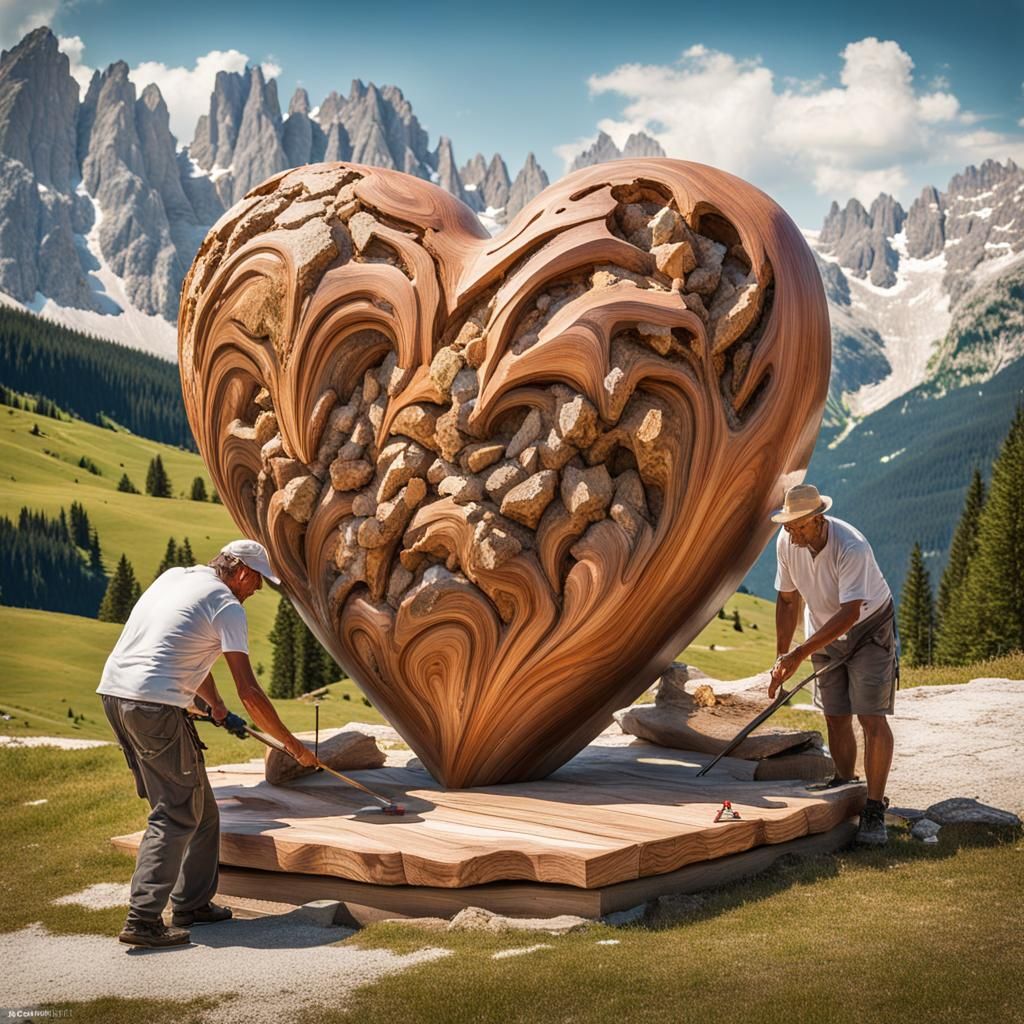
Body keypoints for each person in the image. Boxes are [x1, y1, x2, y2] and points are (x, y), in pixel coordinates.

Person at [97, 539, 318, 947]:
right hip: (153, 707)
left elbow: (182, 652)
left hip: (117, 695)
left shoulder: (176, 578)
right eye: (257, 584)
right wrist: (290, 745)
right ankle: (143, 919)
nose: (255, 592)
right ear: (243, 573)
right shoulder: (228, 605)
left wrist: (214, 705)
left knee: (202, 808)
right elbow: (250, 692)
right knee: (177, 811)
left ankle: (193, 905)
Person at [768, 484, 897, 846]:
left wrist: (799, 654)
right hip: (822, 628)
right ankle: (844, 784)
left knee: (870, 716)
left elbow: (851, 613)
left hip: (868, 628)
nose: (792, 533)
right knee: (835, 713)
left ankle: (873, 809)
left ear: (819, 520)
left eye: (800, 526)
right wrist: (782, 657)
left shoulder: (850, 546)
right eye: (788, 526)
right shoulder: (786, 542)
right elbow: (788, 600)